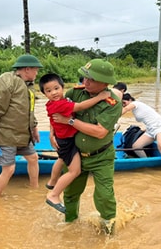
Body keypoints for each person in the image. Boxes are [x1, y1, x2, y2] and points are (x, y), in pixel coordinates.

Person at [51, 59, 122, 233]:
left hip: (101, 157)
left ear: (105, 83)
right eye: (85, 77)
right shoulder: (74, 93)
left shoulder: (113, 103)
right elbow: (56, 110)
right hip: (75, 155)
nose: (85, 82)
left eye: (92, 79)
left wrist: (70, 121)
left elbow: (99, 132)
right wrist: (52, 132)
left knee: (105, 197)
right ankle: (70, 224)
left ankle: (109, 231)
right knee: (70, 193)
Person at [39, 73, 113, 213]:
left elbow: (53, 119)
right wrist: (99, 97)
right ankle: (54, 195)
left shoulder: (55, 102)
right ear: (44, 93)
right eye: (48, 91)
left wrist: (52, 132)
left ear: (62, 87)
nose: (54, 93)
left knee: (61, 159)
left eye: (56, 88)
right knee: (75, 171)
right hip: (67, 142)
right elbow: (79, 107)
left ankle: (52, 182)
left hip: (64, 139)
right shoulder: (60, 104)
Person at [0, 54, 43, 198]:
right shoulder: (6, 81)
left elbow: (30, 110)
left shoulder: (29, 86)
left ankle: (34, 189)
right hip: (6, 134)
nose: (37, 73)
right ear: (27, 69)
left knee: (33, 158)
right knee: (9, 169)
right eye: (36, 70)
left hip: (23, 134)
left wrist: (34, 129)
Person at [120, 93, 161, 175]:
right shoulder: (135, 109)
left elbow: (126, 109)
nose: (123, 105)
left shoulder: (135, 104)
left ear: (130, 100)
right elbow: (149, 117)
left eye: (124, 103)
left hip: (160, 127)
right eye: (122, 104)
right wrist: (145, 129)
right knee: (136, 146)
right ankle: (146, 161)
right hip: (150, 129)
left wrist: (112, 115)